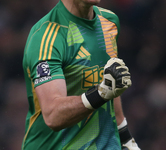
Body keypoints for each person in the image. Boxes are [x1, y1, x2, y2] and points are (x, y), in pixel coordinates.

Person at [22, 0, 140, 149]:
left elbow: (110, 84)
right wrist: (101, 93)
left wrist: (126, 138)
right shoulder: (46, 37)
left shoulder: (110, 21)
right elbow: (53, 116)